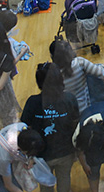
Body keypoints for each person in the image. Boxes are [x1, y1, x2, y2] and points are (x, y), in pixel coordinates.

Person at [21, 62, 79, 192]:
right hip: (66, 152)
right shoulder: (70, 99)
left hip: (41, 155)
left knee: (46, 185)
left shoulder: (32, 102)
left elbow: (26, 127)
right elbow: (76, 124)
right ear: (60, 80)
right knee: (64, 180)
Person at [0, 122, 45, 192]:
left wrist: (31, 159)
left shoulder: (22, 127)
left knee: (17, 187)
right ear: (21, 149)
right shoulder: (4, 157)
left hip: (3, 163)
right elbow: (8, 185)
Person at [49, 38, 104, 112]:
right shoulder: (80, 62)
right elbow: (101, 73)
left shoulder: (53, 74)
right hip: (85, 109)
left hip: (67, 112)